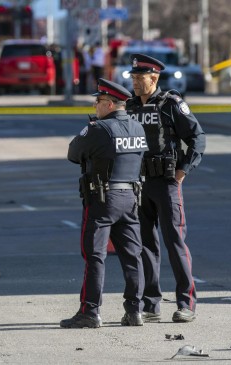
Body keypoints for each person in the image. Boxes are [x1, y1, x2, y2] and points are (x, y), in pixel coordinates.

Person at [60, 78, 148, 329]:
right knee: (133, 257)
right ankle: (134, 311)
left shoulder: (99, 129)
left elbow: (73, 154)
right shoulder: (138, 128)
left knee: (94, 255)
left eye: (98, 101)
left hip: (102, 199)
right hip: (131, 198)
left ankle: (90, 311)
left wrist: (89, 131)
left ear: (109, 104)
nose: (95, 105)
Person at [126, 54, 206, 323]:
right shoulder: (129, 107)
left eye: (140, 78)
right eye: (133, 78)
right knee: (145, 245)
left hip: (166, 183)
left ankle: (186, 303)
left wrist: (184, 170)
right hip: (139, 184)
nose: (135, 83)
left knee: (174, 243)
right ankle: (151, 304)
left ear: (155, 77)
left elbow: (197, 137)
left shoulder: (170, 104)